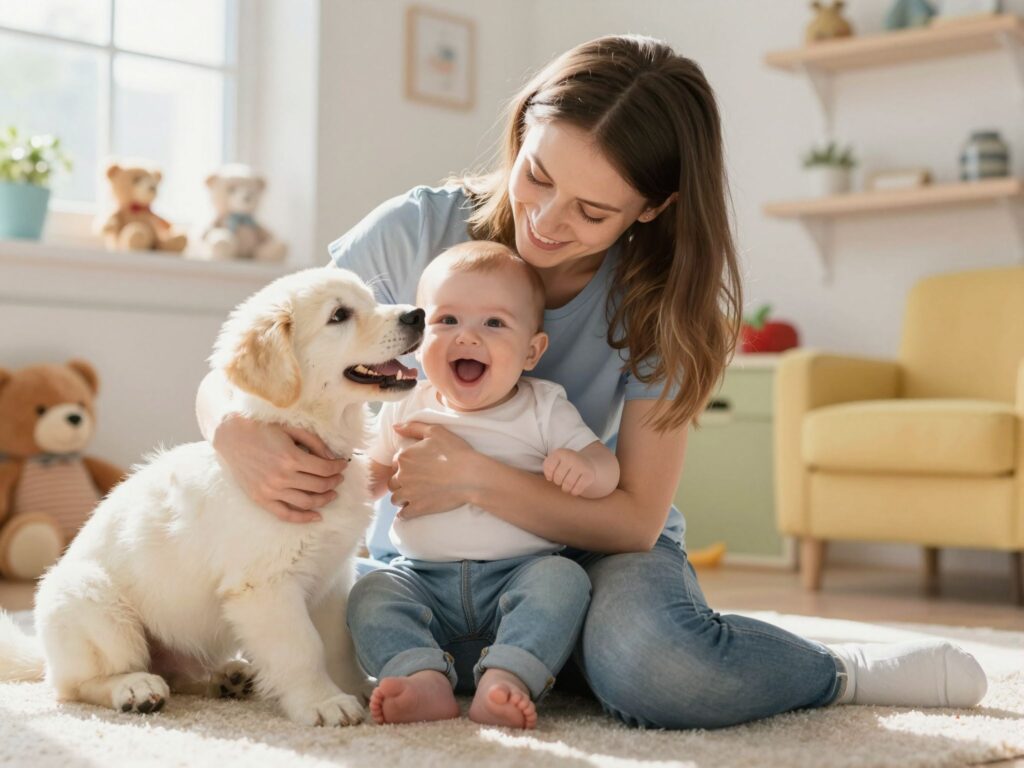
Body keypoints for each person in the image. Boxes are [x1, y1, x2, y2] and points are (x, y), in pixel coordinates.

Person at [197, 34, 987, 729]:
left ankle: (837, 671)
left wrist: (473, 477)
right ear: (521, 132)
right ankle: (543, 662)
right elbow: (248, 361)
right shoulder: (419, 230)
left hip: (586, 552)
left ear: (652, 207)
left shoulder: (664, 300)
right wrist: (232, 430)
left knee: (658, 669)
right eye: (536, 176)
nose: (544, 220)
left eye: (593, 210)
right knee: (359, 636)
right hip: (424, 563)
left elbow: (635, 521)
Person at [350, 240, 619, 729]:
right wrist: (344, 485)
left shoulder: (542, 406)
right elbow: (371, 471)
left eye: (493, 323)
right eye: (446, 321)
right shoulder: (408, 402)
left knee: (565, 581)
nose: (467, 337)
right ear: (419, 338)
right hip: (421, 580)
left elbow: (605, 462)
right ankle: (419, 675)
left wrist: (589, 469)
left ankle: (509, 675)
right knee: (368, 588)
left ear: (532, 350)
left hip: (518, 577)